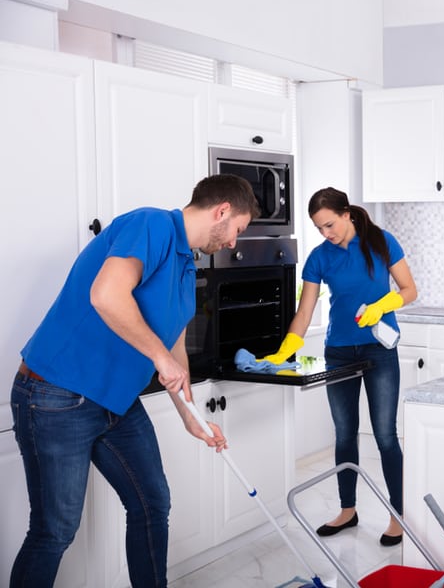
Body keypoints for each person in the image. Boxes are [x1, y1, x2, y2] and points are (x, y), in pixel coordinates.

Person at [9, 174, 260, 587]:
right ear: (222, 211)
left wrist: (191, 417)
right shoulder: (151, 225)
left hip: (116, 401)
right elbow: (106, 296)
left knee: (151, 502)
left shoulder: (185, 264)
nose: (234, 242)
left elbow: (174, 348)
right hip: (55, 394)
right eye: (237, 231)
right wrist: (159, 357)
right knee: (55, 530)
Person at [261, 187, 417, 546]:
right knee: (345, 434)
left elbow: (410, 289)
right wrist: (286, 350)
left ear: (346, 213)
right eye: (319, 228)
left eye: (329, 224)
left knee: (385, 435)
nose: (326, 233)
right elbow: (305, 311)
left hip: (379, 347)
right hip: (340, 351)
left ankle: (399, 513)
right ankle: (348, 510)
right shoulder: (319, 258)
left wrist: (383, 304)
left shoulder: (381, 242)